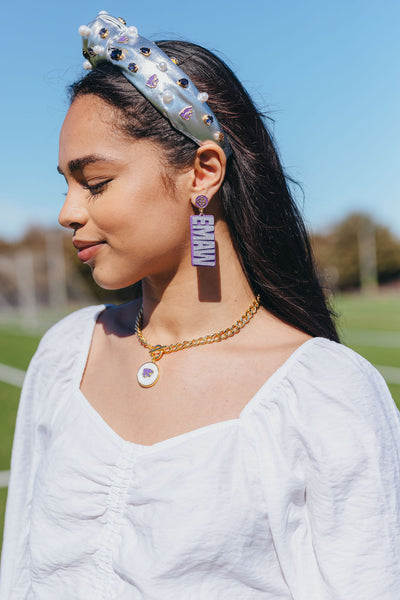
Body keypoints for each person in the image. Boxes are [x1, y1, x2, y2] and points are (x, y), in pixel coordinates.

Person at [1, 10, 399, 600]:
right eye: (66, 182)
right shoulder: (65, 355)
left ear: (202, 173)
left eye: (96, 182)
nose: (67, 211)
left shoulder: (326, 395)